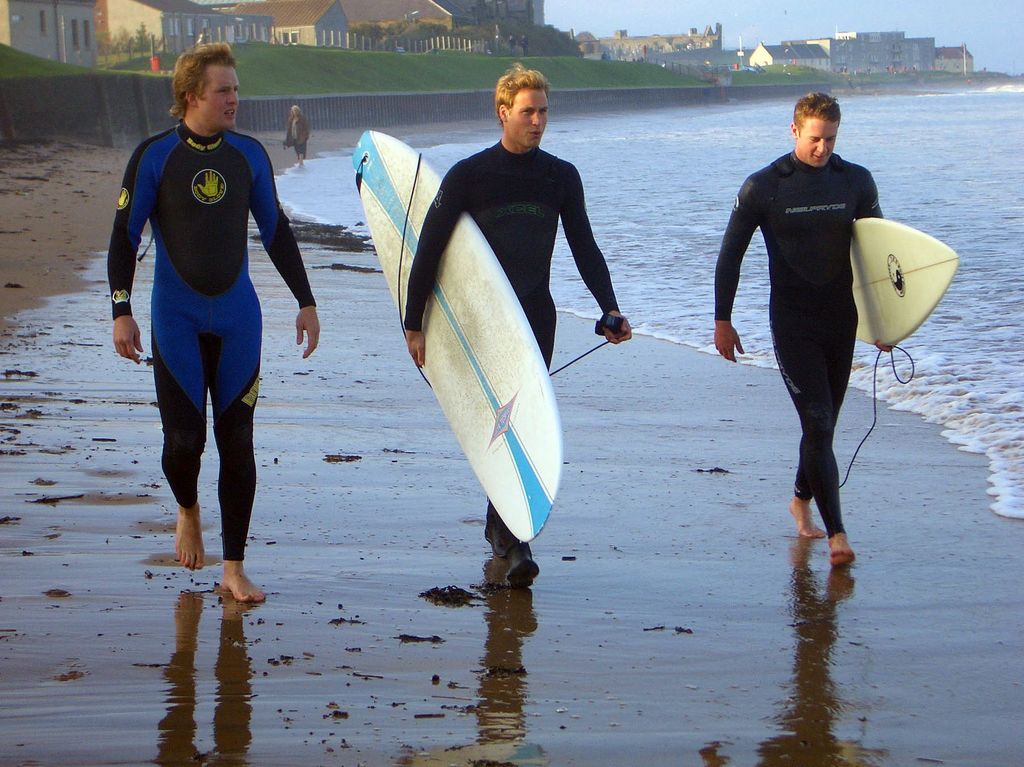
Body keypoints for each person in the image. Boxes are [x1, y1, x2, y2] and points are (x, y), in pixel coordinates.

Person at [403, 63, 632, 587]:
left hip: (535, 314)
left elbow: (585, 248)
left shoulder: (560, 176)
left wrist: (609, 308)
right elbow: (429, 252)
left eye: (543, 110)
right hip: (482, 321)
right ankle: (514, 541)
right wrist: (414, 324)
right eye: (527, 111)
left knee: (518, 422)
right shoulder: (470, 175)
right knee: (501, 424)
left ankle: (504, 535)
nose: (537, 121)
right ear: (503, 113)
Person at [107, 43, 320, 602]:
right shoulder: (154, 157)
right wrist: (120, 309)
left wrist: (306, 300)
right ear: (191, 95)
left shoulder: (249, 155)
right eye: (224, 90)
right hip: (175, 317)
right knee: (183, 443)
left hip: (237, 319)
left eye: (236, 89)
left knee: (239, 444)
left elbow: (276, 231)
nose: (234, 99)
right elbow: (124, 236)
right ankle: (187, 508)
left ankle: (234, 567)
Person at [713, 92, 887, 567]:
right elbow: (730, 255)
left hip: (841, 320)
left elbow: (880, 258)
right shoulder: (764, 187)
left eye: (830, 139)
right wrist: (723, 320)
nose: (822, 149)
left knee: (823, 425)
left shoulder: (855, 182)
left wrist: (886, 321)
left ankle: (799, 498)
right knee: (818, 420)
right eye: (814, 139)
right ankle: (838, 536)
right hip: (792, 321)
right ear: (795, 131)